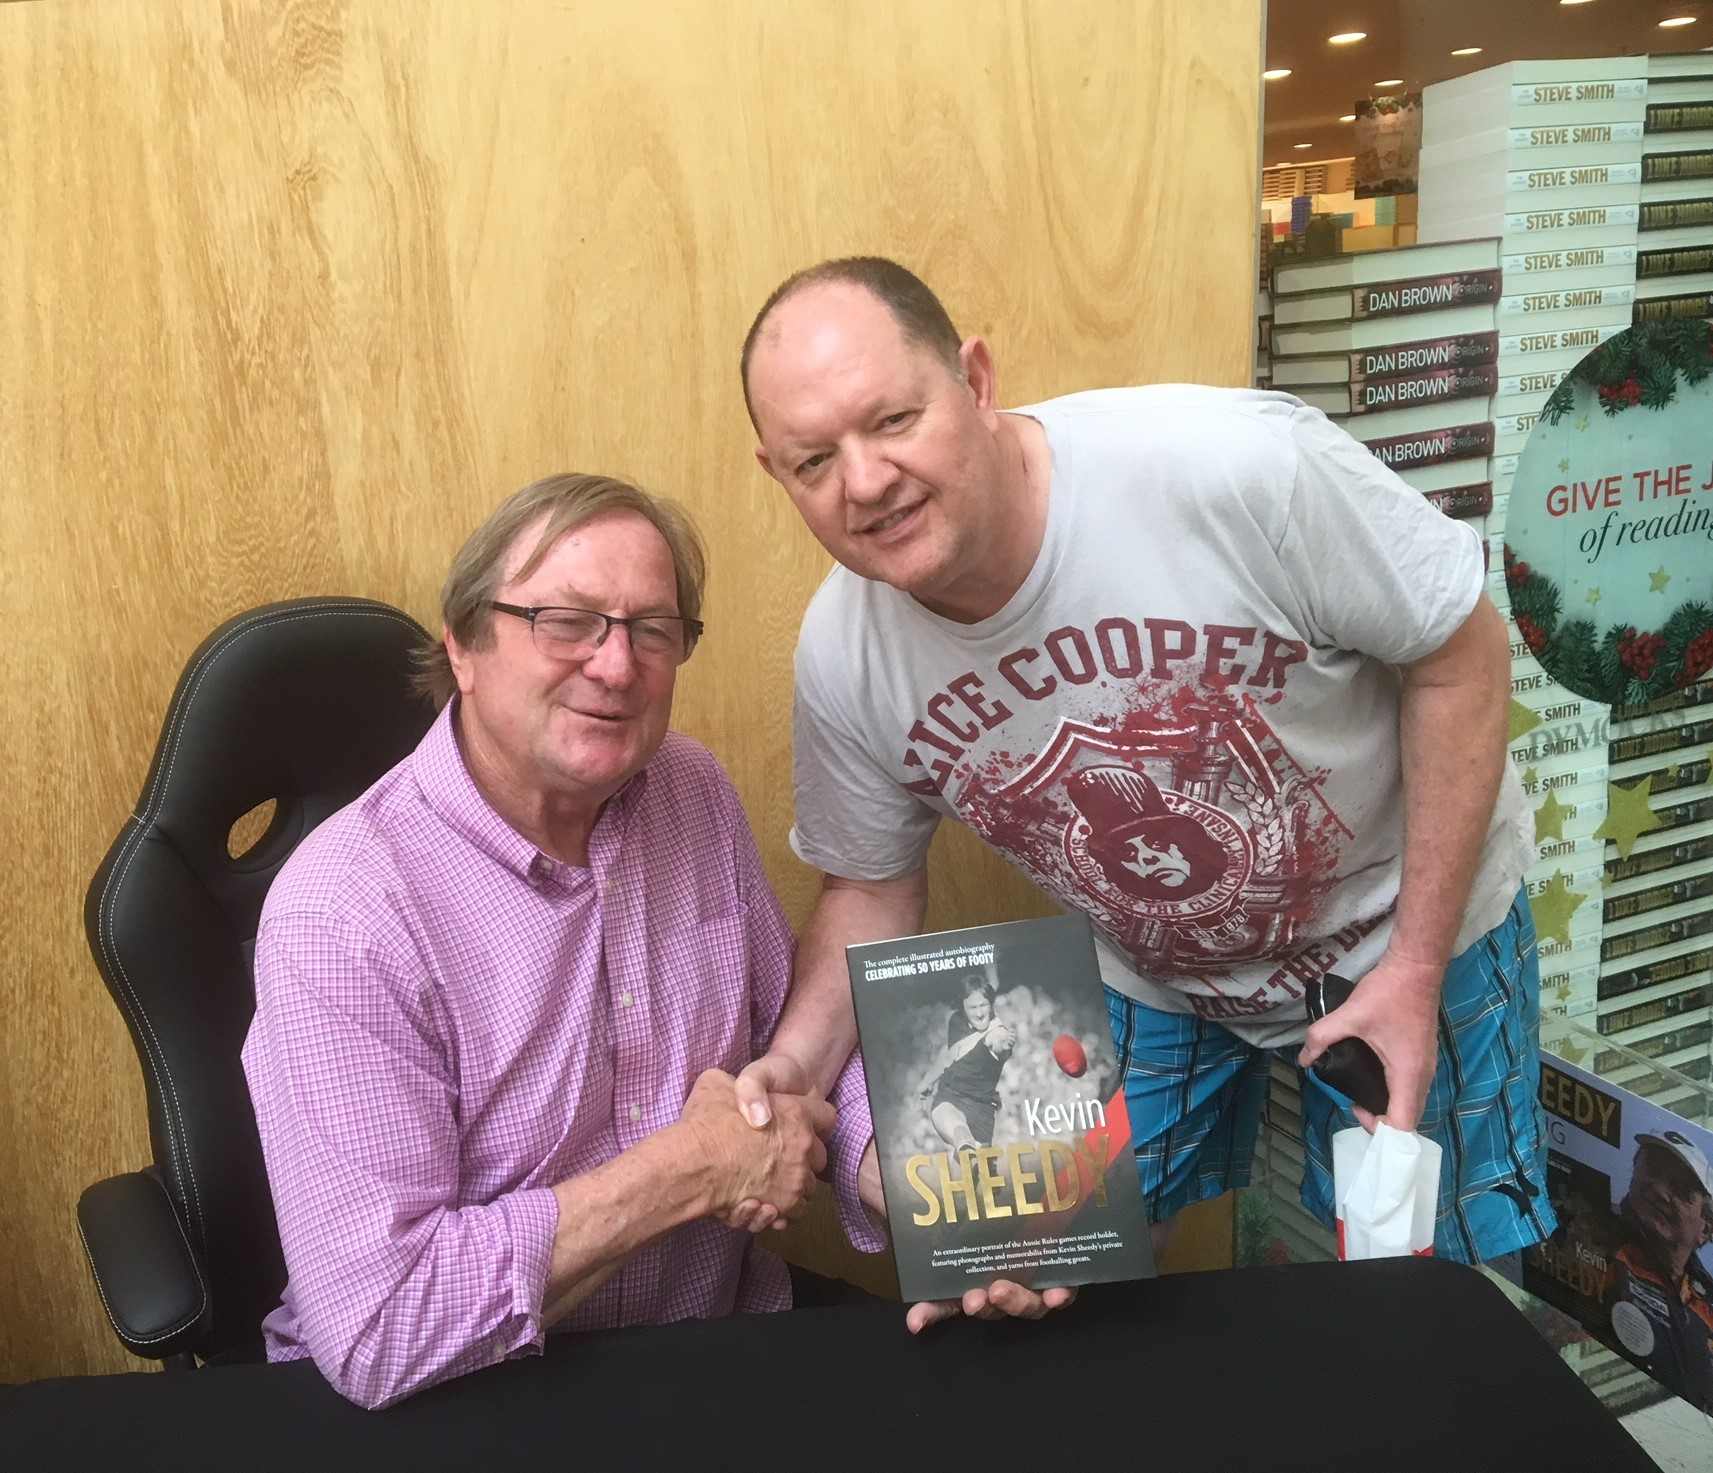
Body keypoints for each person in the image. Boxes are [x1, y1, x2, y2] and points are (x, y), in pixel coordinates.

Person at [729, 256, 1556, 1331]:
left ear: (974, 380)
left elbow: (1458, 655)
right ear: (776, 475)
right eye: (813, 460)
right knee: (1046, 1275)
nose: (866, 480)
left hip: (1405, 928)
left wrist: (1413, 964)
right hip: (1153, 967)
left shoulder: (1236, 467)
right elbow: (870, 887)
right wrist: (795, 1068)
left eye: (893, 419)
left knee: (1437, 1302)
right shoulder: (845, 653)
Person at [242, 472, 881, 1409]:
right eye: (567, 621)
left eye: (651, 629)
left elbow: (790, 1042)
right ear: (463, 646)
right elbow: (382, 1323)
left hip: (712, 1344)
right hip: (466, 1394)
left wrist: (940, 1197)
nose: (616, 667)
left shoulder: (691, 790)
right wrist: (691, 1169)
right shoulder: (343, 912)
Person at [1601, 1131, 1713, 1410]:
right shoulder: (1595, 1236)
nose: (1660, 1191)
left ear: (1705, 1229)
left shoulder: (1707, 1300)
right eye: (1652, 1172)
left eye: (1682, 1190)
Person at [917, 975, 1017, 1150]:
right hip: (950, 1098)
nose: (979, 1013)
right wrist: (927, 1082)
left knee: (975, 1164)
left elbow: (998, 1040)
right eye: (972, 1007)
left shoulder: (998, 1032)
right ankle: (964, 1142)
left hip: (981, 1111)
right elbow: (949, 1054)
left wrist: (1003, 1044)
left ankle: (969, 1147)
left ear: (991, 1005)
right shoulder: (957, 1021)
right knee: (958, 1129)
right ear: (963, 1007)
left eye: (983, 1005)